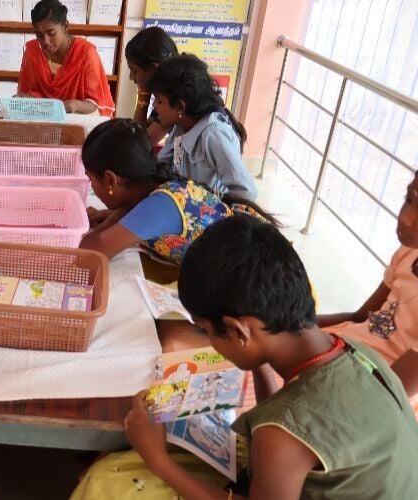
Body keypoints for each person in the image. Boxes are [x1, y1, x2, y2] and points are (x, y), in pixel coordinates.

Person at [72, 215, 418, 499]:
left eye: (206, 332)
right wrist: (259, 363)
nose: (208, 341)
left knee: (109, 481)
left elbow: (285, 431)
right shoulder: (356, 352)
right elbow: (286, 415)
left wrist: (159, 461)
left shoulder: (282, 436)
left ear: (239, 331)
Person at [79, 119, 271, 264]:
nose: (90, 185)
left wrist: (117, 217)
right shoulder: (158, 188)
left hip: (252, 276)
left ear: (111, 179)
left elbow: (87, 254)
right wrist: (119, 214)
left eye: (90, 179)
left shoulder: (159, 206)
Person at [318, 172, 418, 408]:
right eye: (409, 200)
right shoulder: (409, 252)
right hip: (344, 352)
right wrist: (287, 323)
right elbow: (360, 316)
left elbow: (387, 398)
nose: (405, 218)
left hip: (373, 394)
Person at [150, 54, 258, 200]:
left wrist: (216, 210)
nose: (154, 106)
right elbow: (160, 168)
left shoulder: (214, 134)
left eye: (159, 101)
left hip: (207, 217)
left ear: (180, 107)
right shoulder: (181, 127)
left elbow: (247, 192)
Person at [17, 0, 115, 116]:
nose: (46, 41)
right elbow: (29, 91)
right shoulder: (33, 51)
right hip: (42, 119)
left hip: (77, 121)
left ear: (65, 26)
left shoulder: (86, 54)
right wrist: (25, 99)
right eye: (39, 35)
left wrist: (76, 105)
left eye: (51, 33)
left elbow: (98, 103)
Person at [125, 27, 179, 144]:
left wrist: (143, 94)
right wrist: (144, 94)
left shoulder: (173, 98)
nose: (131, 77)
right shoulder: (165, 92)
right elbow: (138, 134)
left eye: (134, 71)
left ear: (154, 69)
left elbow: (141, 144)